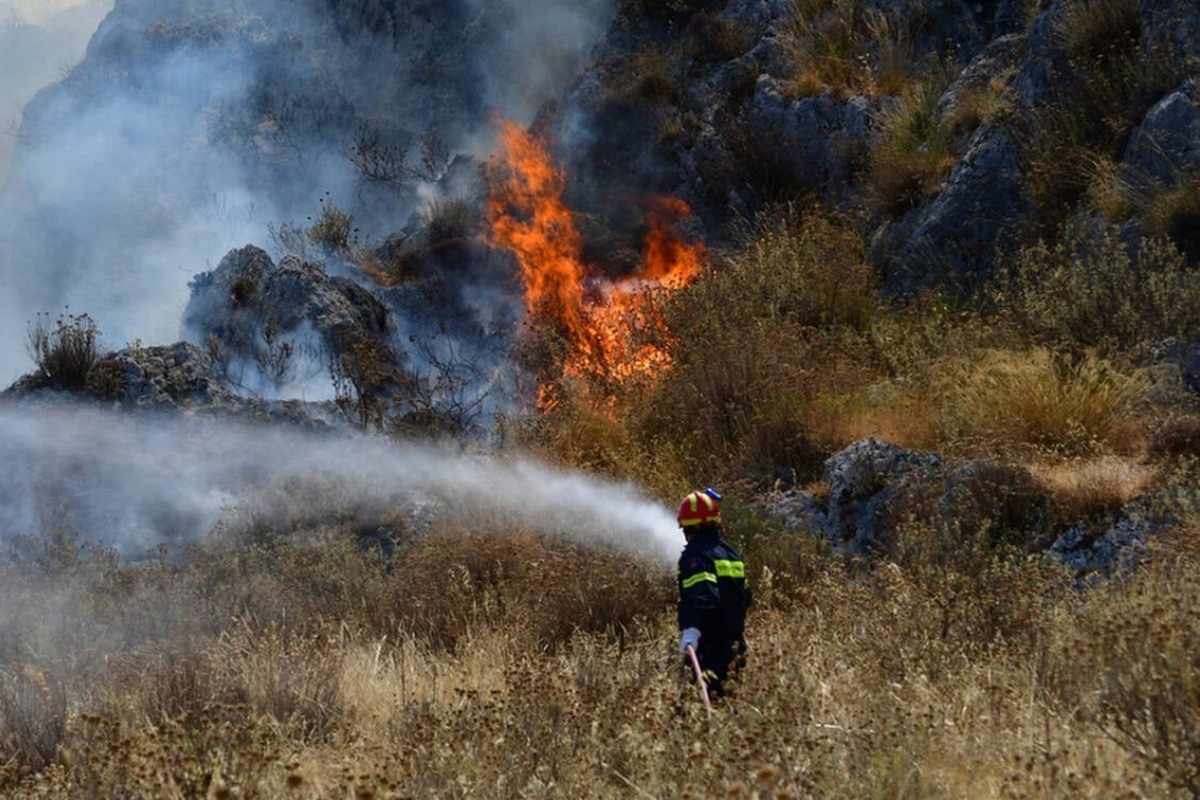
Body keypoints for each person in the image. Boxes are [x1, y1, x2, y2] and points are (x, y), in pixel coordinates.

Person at [676, 488, 751, 700]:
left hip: (709, 651)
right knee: (728, 707)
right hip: (736, 648)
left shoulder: (695, 555)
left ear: (691, 527)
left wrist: (691, 630)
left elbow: (703, 599)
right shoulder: (730, 553)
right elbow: (746, 597)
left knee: (696, 711)